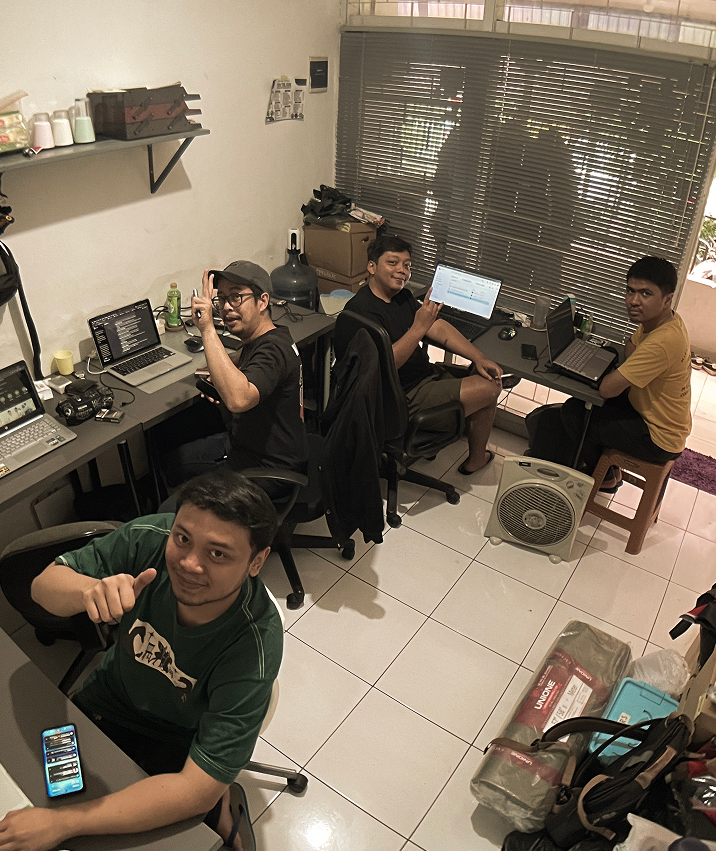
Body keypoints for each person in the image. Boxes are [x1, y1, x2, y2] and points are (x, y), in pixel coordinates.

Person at [0, 470, 281, 851]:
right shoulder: (149, 539)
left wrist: (65, 824)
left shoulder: (254, 645)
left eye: (217, 553)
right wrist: (88, 590)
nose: (189, 563)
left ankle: (225, 801)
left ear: (256, 561)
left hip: (180, 741)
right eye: (183, 538)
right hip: (107, 702)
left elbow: (195, 789)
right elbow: (41, 587)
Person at [335, 234, 504, 474]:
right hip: (401, 396)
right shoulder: (363, 312)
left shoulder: (402, 297)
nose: (401, 270)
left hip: (424, 376)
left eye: (407, 265)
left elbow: (438, 327)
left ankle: (469, 453)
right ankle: (469, 452)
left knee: (485, 374)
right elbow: (385, 366)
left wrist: (479, 357)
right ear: (371, 267)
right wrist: (418, 328)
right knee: (491, 388)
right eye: (392, 263)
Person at [527, 256, 691, 490]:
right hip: (657, 416)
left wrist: (630, 370)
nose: (633, 301)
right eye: (630, 291)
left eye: (646, 294)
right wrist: (636, 368)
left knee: (576, 413)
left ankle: (605, 477)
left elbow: (607, 388)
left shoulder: (663, 341)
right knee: (584, 406)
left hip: (658, 437)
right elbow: (630, 345)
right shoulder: (666, 321)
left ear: (667, 299)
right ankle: (605, 468)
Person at [160, 260, 308, 504]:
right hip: (247, 446)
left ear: (263, 301)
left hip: (267, 471)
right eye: (221, 299)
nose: (226, 307)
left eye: (237, 297)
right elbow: (242, 359)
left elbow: (239, 400)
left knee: (169, 512)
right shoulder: (268, 336)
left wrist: (207, 329)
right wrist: (219, 372)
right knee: (173, 461)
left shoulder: (272, 352)